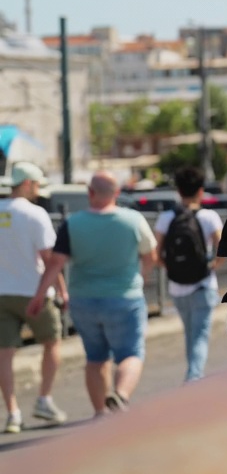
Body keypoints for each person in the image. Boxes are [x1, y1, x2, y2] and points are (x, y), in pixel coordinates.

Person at [33, 173, 157, 416]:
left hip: (83, 299)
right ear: (117, 193)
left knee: (95, 357)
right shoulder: (133, 220)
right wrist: (142, 277)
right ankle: (120, 394)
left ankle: (100, 413)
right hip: (125, 297)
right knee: (131, 354)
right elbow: (150, 256)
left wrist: (39, 296)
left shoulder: (73, 223)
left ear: (90, 192)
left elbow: (55, 263)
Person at [0, 162, 68, 432]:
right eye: (38, 185)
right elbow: (50, 260)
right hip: (34, 291)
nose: (39, 191)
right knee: (52, 343)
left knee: (5, 354)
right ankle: (44, 399)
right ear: (27, 183)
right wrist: (61, 290)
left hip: (3, 292)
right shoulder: (35, 214)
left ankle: (12, 412)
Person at [154, 167, 223, 382]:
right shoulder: (209, 217)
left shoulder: (165, 218)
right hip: (203, 285)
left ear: (179, 191)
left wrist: (171, 268)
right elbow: (223, 249)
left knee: (190, 334)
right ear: (201, 191)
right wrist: (212, 265)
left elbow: (157, 254)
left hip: (177, 287)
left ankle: (193, 373)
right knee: (200, 336)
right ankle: (194, 378)